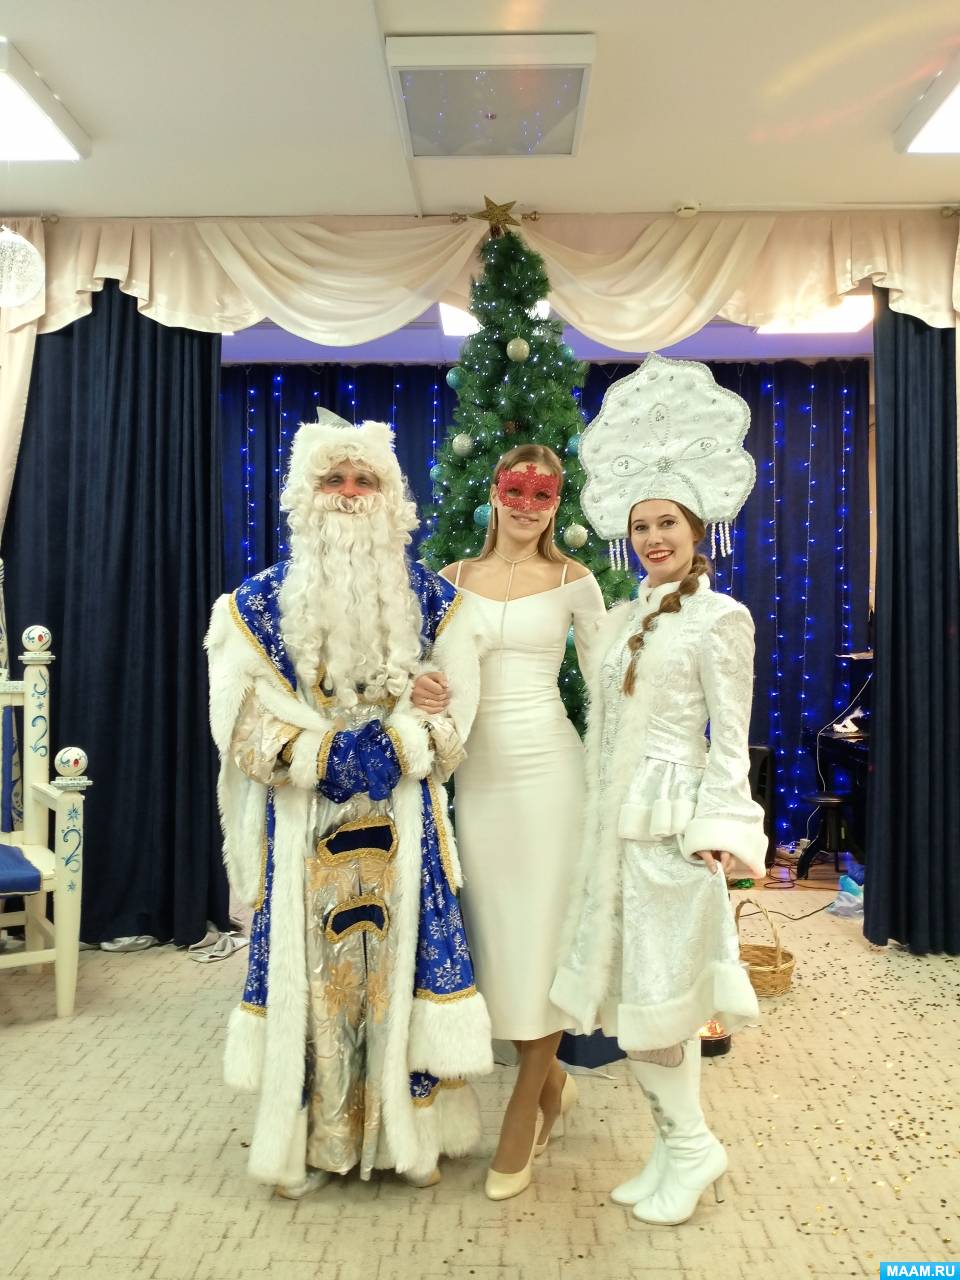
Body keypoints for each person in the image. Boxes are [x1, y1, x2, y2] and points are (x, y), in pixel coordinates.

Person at [205, 414, 492, 1199]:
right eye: (335, 479)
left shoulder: (437, 603)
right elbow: (238, 727)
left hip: (404, 822)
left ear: (392, 497)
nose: (351, 494)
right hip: (305, 825)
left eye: (366, 480)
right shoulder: (255, 607)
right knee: (310, 984)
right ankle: (308, 1143)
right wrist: (322, 756)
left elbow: (459, 722)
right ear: (307, 495)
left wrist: (404, 740)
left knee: (404, 975)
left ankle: (411, 1139)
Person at [550, 354, 768, 1226]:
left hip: (673, 830)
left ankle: (692, 1144)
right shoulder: (630, 613)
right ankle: (678, 1144)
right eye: (640, 525)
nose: (652, 538)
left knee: (661, 1000)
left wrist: (722, 828)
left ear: (696, 526)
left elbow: (731, 737)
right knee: (630, 1000)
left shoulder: (722, 617)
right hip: (616, 831)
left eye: (666, 522)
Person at [413, 443, 606, 1201]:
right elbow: (423, 670)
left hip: (552, 771)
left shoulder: (575, 581)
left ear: (557, 504)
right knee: (496, 942)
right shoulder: (450, 579)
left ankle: (523, 1113)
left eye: (542, 494)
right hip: (480, 777)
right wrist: (423, 688)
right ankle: (555, 1083)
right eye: (516, 490)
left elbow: (606, 686)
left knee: (543, 939)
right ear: (496, 494)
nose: (528, 505)